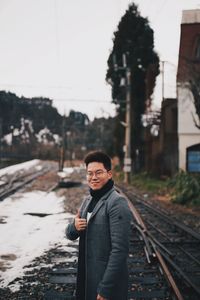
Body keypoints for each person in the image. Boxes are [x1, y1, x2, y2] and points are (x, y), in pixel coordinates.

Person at [66, 151, 131, 300]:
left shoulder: (117, 203)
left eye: (98, 172)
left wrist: (106, 289)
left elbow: (120, 250)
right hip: (86, 279)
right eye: (89, 173)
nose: (93, 177)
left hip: (105, 285)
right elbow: (70, 234)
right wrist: (74, 227)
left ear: (109, 174)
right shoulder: (88, 200)